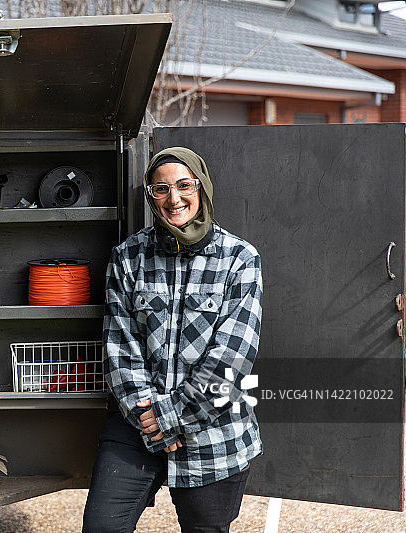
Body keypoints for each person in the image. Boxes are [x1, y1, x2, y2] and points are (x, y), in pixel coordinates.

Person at [82, 147, 263, 533]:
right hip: (137, 422)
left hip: (214, 430)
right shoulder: (128, 257)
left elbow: (231, 360)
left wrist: (171, 418)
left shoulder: (239, 259)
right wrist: (149, 417)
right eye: (161, 189)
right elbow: (120, 347)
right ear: (150, 196)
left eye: (184, 186)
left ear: (202, 188)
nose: (174, 198)